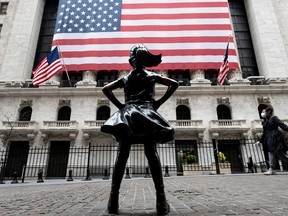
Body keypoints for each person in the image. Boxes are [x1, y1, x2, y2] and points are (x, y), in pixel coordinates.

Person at [101, 44, 179, 215]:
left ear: (132, 60)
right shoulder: (151, 75)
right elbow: (174, 84)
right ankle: (160, 199)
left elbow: (106, 89)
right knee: (151, 153)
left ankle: (113, 201)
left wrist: (121, 106)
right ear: (145, 61)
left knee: (122, 155)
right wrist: (157, 103)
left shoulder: (126, 78)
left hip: (128, 116)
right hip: (147, 115)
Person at [258, 105, 288, 175]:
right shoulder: (266, 121)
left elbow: (282, 125)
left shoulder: (274, 118)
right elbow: (264, 132)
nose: (262, 113)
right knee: (277, 153)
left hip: (275, 137)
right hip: (269, 138)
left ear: (269, 111)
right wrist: (260, 141)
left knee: (275, 152)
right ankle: (272, 169)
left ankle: (271, 169)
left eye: (264, 111)